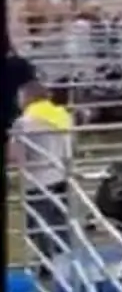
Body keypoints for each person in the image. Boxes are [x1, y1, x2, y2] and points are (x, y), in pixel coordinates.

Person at [10, 79, 75, 267]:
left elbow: (16, 155)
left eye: (20, 98)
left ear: (28, 98)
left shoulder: (24, 123)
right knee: (61, 222)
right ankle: (65, 262)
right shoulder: (63, 115)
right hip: (62, 176)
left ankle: (48, 264)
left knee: (41, 225)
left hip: (38, 180)